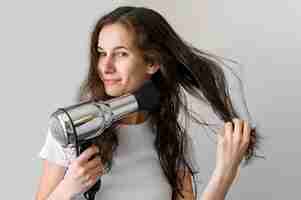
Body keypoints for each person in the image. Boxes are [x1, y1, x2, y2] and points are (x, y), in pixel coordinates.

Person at [35, 6, 262, 200]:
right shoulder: (72, 130)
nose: (106, 67)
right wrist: (67, 189)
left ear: (152, 63)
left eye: (121, 54)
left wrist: (225, 171)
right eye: (102, 53)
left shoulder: (171, 141)